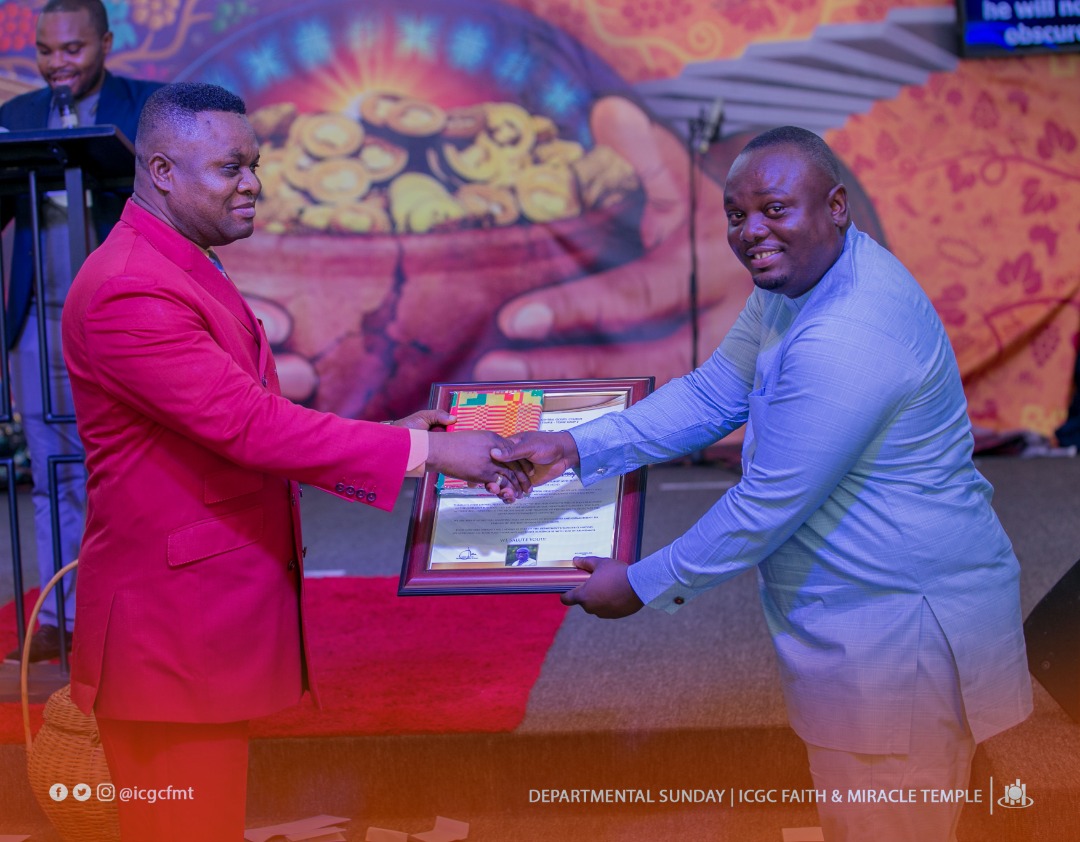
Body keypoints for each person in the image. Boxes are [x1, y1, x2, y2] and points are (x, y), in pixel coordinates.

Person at [494, 126, 1034, 841]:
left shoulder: (848, 331)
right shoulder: (800, 280)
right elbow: (714, 393)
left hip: (901, 637)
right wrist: (575, 445)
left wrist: (642, 585)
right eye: (736, 214)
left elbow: (766, 504)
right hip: (865, 612)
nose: (751, 232)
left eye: (775, 209)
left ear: (836, 205)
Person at [60, 81, 527, 842]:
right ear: (162, 172)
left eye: (255, 164)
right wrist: (430, 450)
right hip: (167, 632)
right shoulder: (129, 287)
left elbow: (238, 423)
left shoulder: (178, 259)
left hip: (195, 622)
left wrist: (393, 434)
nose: (253, 184)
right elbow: (250, 427)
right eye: (230, 168)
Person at [0, 0, 163, 663]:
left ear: (106, 43)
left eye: (72, 49)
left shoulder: (149, 108)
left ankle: (141, 614)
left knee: (135, 470)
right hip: (39, 322)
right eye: (45, 51)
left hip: (128, 321)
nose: (57, 64)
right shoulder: (17, 117)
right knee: (52, 471)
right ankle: (62, 618)